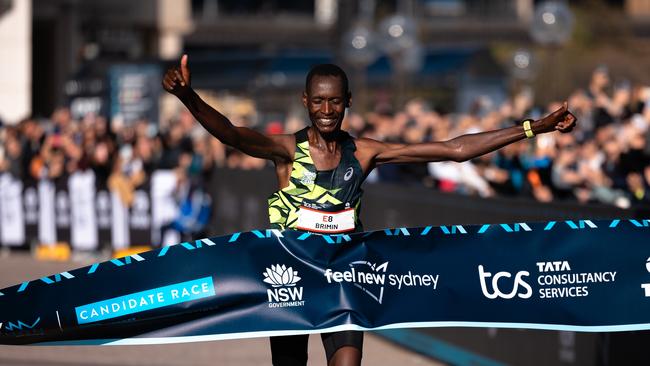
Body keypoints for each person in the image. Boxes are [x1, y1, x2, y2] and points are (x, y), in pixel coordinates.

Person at [162, 55, 577, 366]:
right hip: (291, 284)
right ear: (305, 101)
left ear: (349, 102)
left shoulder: (364, 153)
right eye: (319, 102)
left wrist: (531, 128)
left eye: (336, 103)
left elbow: (454, 150)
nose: (327, 112)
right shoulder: (286, 151)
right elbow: (231, 134)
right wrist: (187, 97)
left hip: (344, 283)